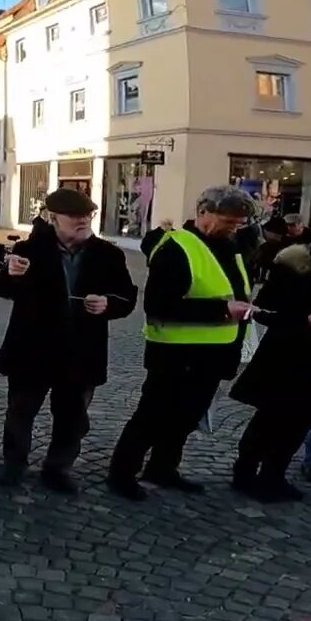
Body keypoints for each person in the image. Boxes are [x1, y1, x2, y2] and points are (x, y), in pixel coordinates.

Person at [108, 185, 258, 501]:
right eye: (228, 220)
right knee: (151, 417)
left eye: (238, 222)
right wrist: (222, 310)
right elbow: (159, 306)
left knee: (185, 418)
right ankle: (122, 473)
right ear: (203, 212)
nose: (234, 227)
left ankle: (163, 469)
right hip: (176, 354)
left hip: (214, 353)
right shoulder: (177, 248)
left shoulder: (229, 246)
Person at [0, 189, 138, 493]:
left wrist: (108, 304)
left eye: (88, 215)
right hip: (33, 348)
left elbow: (127, 297)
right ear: (53, 217)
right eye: (75, 216)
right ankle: (14, 462)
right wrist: (12, 273)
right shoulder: (30, 249)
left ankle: (58, 467)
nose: (83, 220)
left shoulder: (108, 254)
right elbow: (3, 288)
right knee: (21, 410)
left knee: (73, 416)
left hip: (82, 350)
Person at [232, 215, 311, 498]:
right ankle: (245, 472)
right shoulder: (296, 265)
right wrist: (306, 320)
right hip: (289, 358)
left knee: (302, 423)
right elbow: (264, 311)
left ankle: (275, 475)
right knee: (270, 421)